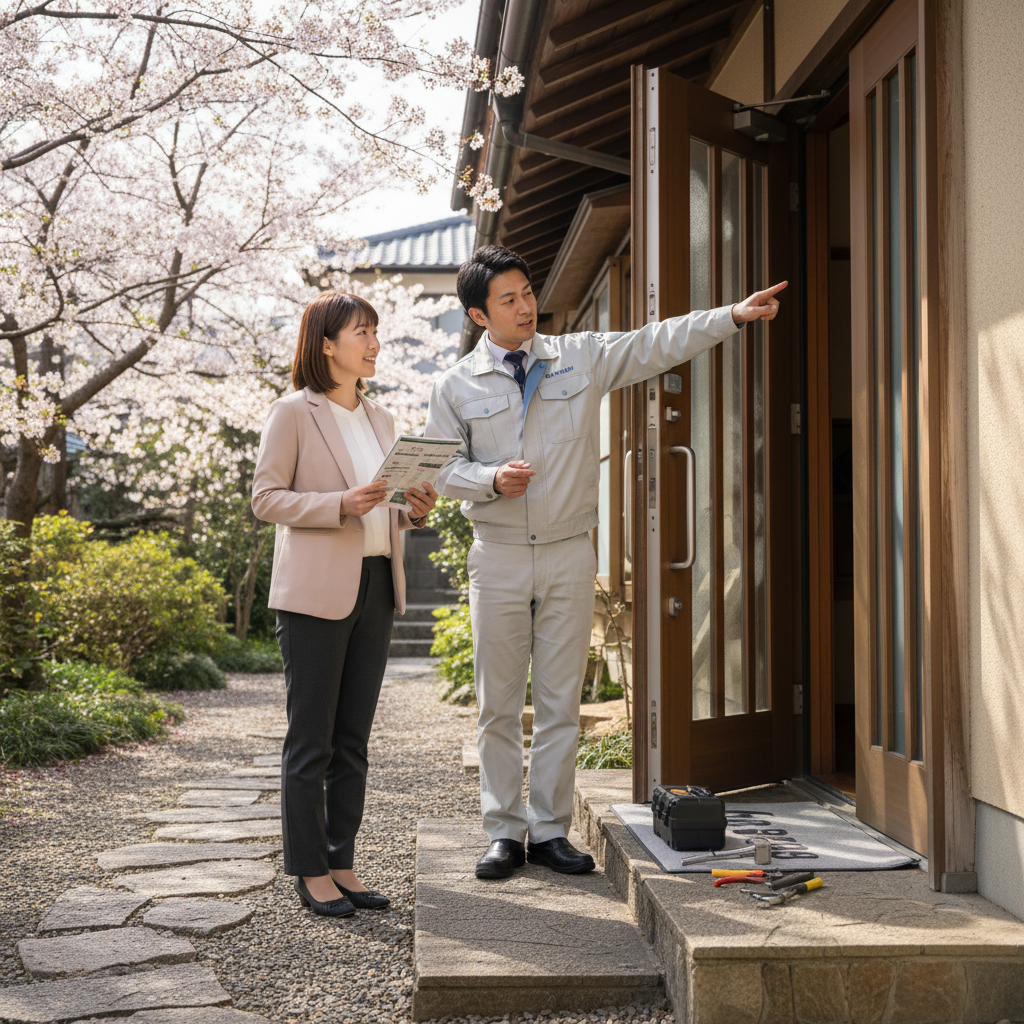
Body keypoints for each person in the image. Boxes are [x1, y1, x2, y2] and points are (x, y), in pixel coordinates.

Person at [425, 245, 786, 880]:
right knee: (498, 705)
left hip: (569, 553)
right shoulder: (454, 386)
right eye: (507, 299)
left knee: (560, 703)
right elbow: (440, 470)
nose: (525, 305)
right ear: (480, 316)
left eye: (527, 292)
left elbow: (656, 342)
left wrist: (731, 315)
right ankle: (503, 833)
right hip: (500, 556)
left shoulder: (579, 356)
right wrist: (489, 480)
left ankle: (549, 831)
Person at [252, 291, 438, 916]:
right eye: (362, 332)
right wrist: (338, 504)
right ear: (327, 344)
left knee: (353, 739)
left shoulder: (382, 420)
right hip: (313, 594)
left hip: (378, 584)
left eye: (376, 330)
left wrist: (413, 510)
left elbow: (384, 504)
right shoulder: (293, 413)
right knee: (313, 740)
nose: (375, 341)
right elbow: (267, 499)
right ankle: (309, 870)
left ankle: (343, 862)